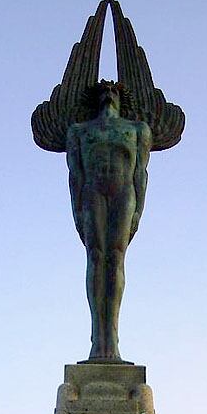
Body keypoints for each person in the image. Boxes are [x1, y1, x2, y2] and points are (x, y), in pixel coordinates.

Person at [66, 81, 151, 361]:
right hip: (93, 190)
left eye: (113, 91)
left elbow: (141, 172)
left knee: (115, 257)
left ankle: (111, 339)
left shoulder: (136, 130)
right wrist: (77, 208)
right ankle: (97, 338)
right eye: (103, 91)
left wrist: (138, 208)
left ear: (121, 98)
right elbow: (75, 175)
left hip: (122, 189)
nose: (108, 94)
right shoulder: (80, 131)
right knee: (96, 256)